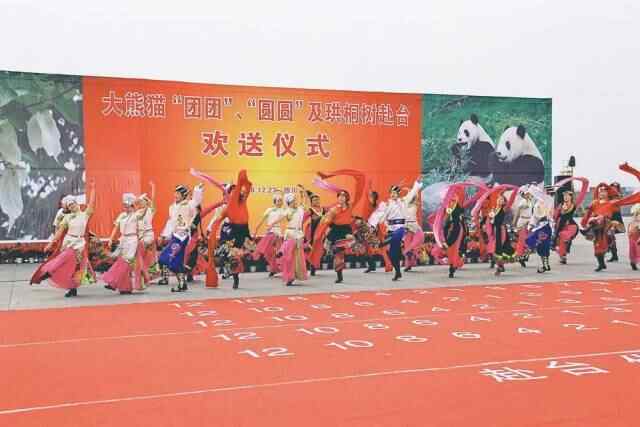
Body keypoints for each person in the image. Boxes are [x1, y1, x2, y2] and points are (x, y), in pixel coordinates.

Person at [37, 181, 97, 297]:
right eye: (69, 205)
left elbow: (92, 203)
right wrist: (50, 244)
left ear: (77, 203)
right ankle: (50, 271)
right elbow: (59, 232)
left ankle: (72, 288)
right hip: (69, 242)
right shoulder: (67, 218)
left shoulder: (85, 214)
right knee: (65, 257)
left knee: (74, 268)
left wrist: (93, 189)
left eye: (73, 204)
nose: (72, 206)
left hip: (79, 244)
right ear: (68, 208)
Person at [309, 169, 366, 284]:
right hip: (335, 231)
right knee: (337, 252)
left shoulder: (350, 206)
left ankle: (352, 247)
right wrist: (321, 232)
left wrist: (358, 177)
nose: (341, 198)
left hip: (346, 230)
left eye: (343, 196)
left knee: (345, 245)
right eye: (339, 196)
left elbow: (359, 192)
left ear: (347, 198)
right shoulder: (334, 209)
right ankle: (336, 273)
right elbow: (326, 221)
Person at [158, 183, 204, 292]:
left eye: (178, 193)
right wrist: (164, 235)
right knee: (176, 261)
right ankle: (182, 284)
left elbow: (196, 201)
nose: (175, 195)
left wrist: (197, 190)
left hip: (182, 236)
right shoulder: (172, 207)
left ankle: (179, 281)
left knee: (165, 258)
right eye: (175, 193)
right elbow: (171, 222)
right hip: (175, 235)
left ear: (183, 195)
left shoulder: (189, 204)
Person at [377, 179, 423, 281]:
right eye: (391, 193)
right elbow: (382, 218)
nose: (392, 194)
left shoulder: (403, 201)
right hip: (391, 229)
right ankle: (398, 272)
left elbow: (412, 193)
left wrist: (416, 184)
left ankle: (384, 243)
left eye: (394, 193)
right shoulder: (388, 204)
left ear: (398, 194)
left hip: (400, 228)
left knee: (393, 239)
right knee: (392, 254)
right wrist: (380, 220)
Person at [103, 193, 148, 294]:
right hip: (123, 239)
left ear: (132, 206)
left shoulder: (136, 215)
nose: (125, 208)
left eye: (127, 206)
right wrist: (110, 239)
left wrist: (143, 201)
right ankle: (125, 287)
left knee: (126, 261)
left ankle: (113, 281)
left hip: (132, 240)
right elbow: (116, 227)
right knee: (122, 261)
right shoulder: (122, 215)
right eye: (124, 206)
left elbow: (143, 212)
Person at [276, 187, 309, 286]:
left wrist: (304, 192)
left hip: (299, 234)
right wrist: (272, 224)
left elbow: (305, 201)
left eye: (295, 200)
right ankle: (281, 252)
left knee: (297, 257)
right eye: (293, 201)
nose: (295, 202)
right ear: (289, 203)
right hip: (290, 232)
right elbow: (281, 218)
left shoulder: (300, 209)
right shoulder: (287, 211)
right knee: (289, 256)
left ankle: (293, 275)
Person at [253, 192, 285, 277]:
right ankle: (274, 269)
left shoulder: (282, 210)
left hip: (277, 232)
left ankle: (281, 268)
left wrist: (273, 224)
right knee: (268, 252)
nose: (280, 202)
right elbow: (262, 220)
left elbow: (280, 219)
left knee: (278, 251)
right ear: (275, 201)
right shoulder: (269, 210)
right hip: (269, 232)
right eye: (279, 200)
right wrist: (256, 229)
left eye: (281, 200)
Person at [136, 182, 159, 281]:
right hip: (140, 235)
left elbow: (153, 201)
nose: (141, 203)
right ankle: (144, 273)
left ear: (146, 202)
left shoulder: (150, 210)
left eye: (143, 201)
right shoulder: (137, 212)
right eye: (140, 201)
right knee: (143, 255)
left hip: (148, 235)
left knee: (143, 251)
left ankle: (146, 272)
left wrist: (153, 188)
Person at [442, 189, 466, 278]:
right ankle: (454, 264)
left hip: (457, 229)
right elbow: (445, 220)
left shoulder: (459, 208)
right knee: (450, 249)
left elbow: (459, 218)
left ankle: (452, 267)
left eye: (455, 196)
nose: (453, 197)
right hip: (450, 229)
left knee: (454, 248)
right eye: (452, 196)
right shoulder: (447, 206)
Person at [402, 184, 425, 272]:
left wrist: (410, 190)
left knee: (413, 245)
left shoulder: (415, 204)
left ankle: (412, 256)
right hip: (407, 228)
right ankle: (408, 265)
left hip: (415, 228)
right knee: (407, 245)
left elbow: (415, 195)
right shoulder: (404, 205)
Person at [553, 190, 579, 264]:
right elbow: (555, 215)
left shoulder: (573, 204)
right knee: (557, 242)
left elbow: (581, 195)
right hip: (560, 226)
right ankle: (563, 256)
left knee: (563, 236)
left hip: (571, 226)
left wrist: (585, 185)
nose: (566, 197)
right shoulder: (560, 205)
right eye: (564, 196)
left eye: (567, 196)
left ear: (571, 197)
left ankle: (563, 255)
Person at [512, 189, 534, 267]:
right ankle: (520, 256)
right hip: (523, 222)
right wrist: (514, 222)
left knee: (529, 240)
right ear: (524, 195)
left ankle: (524, 256)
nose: (528, 195)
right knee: (523, 240)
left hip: (529, 221)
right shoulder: (522, 202)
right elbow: (518, 211)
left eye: (529, 193)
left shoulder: (530, 201)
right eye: (526, 194)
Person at [490, 195, 510, 276]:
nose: (499, 200)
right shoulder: (494, 209)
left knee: (499, 248)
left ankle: (500, 267)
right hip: (495, 230)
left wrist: (514, 192)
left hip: (501, 230)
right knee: (495, 249)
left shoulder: (503, 208)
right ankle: (501, 266)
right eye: (498, 198)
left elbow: (510, 201)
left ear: (504, 202)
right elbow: (491, 221)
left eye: (502, 199)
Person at [628, 204, 640, 271]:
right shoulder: (634, 219)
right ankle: (633, 262)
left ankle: (633, 262)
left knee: (635, 250)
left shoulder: (633, 219)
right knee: (634, 250)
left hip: (634, 236)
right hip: (634, 236)